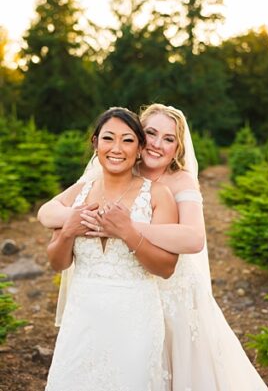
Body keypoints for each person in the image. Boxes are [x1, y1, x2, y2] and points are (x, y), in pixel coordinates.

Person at [39, 104, 268, 390]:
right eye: (151, 133)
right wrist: (78, 219)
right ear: (140, 137)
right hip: (110, 298)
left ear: (177, 147)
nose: (158, 144)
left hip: (171, 293)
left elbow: (194, 239)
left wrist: (127, 228)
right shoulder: (113, 167)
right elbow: (47, 212)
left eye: (169, 139)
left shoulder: (178, 180)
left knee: (177, 368)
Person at [44, 107, 179, 390]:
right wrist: (68, 230)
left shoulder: (157, 195)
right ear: (95, 143)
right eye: (108, 138)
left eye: (128, 140)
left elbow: (166, 268)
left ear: (140, 148)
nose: (117, 148)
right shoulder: (80, 192)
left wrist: (128, 233)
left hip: (135, 321)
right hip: (82, 318)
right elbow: (57, 263)